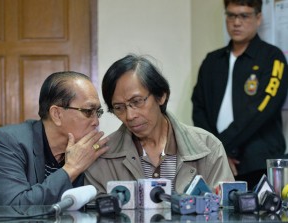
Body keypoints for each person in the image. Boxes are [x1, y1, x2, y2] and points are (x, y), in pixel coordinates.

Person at [84, 54, 234, 195]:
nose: (130, 116)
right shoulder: (103, 157)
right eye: (119, 108)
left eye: (136, 102)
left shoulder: (208, 148)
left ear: (161, 96)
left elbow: (225, 212)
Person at [191, 0, 288, 189]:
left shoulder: (272, 58)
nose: (236, 22)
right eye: (231, 15)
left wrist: (220, 147)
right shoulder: (212, 61)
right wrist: (217, 152)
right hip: (218, 164)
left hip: (258, 164)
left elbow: (261, 110)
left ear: (258, 18)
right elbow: (198, 107)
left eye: (244, 16)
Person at [0, 71, 109, 205]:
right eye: (88, 111)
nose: (96, 122)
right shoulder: (7, 142)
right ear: (57, 114)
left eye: (98, 112)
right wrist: (71, 169)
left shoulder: (86, 150)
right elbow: (16, 206)